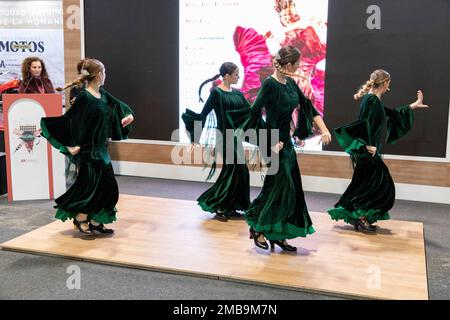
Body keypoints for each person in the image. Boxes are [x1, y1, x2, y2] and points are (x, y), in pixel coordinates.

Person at [231, 46, 331, 252]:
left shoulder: (292, 84)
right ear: (287, 65)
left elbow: (309, 108)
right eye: (297, 64)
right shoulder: (269, 85)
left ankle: (279, 233)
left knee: (288, 189)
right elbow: (254, 114)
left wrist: (325, 130)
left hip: (287, 144)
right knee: (280, 187)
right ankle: (258, 227)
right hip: (274, 144)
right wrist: (268, 142)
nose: (300, 67)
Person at [40, 58, 134, 235]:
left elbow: (119, 106)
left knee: (107, 187)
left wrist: (128, 116)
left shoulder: (103, 94)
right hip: (88, 150)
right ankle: (81, 218)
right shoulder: (84, 96)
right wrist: (70, 144)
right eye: (104, 72)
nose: (105, 75)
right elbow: (70, 121)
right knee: (90, 187)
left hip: (101, 149)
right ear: (99, 75)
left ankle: (96, 220)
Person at [328, 69, 429, 232]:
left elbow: (392, 114)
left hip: (369, 151)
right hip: (368, 151)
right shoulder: (371, 101)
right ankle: (360, 216)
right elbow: (363, 123)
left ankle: (359, 216)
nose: (390, 85)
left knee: (365, 185)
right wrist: (366, 146)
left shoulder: (374, 100)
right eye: (389, 82)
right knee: (381, 185)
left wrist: (413, 106)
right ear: (385, 83)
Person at [182, 63, 251, 221]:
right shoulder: (216, 94)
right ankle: (218, 204)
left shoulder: (238, 95)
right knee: (235, 170)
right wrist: (194, 138)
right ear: (226, 76)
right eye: (235, 74)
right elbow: (203, 115)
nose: (238, 77)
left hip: (236, 138)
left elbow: (250, 112)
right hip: (224, 138)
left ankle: (230, 205)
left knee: (240, 172)